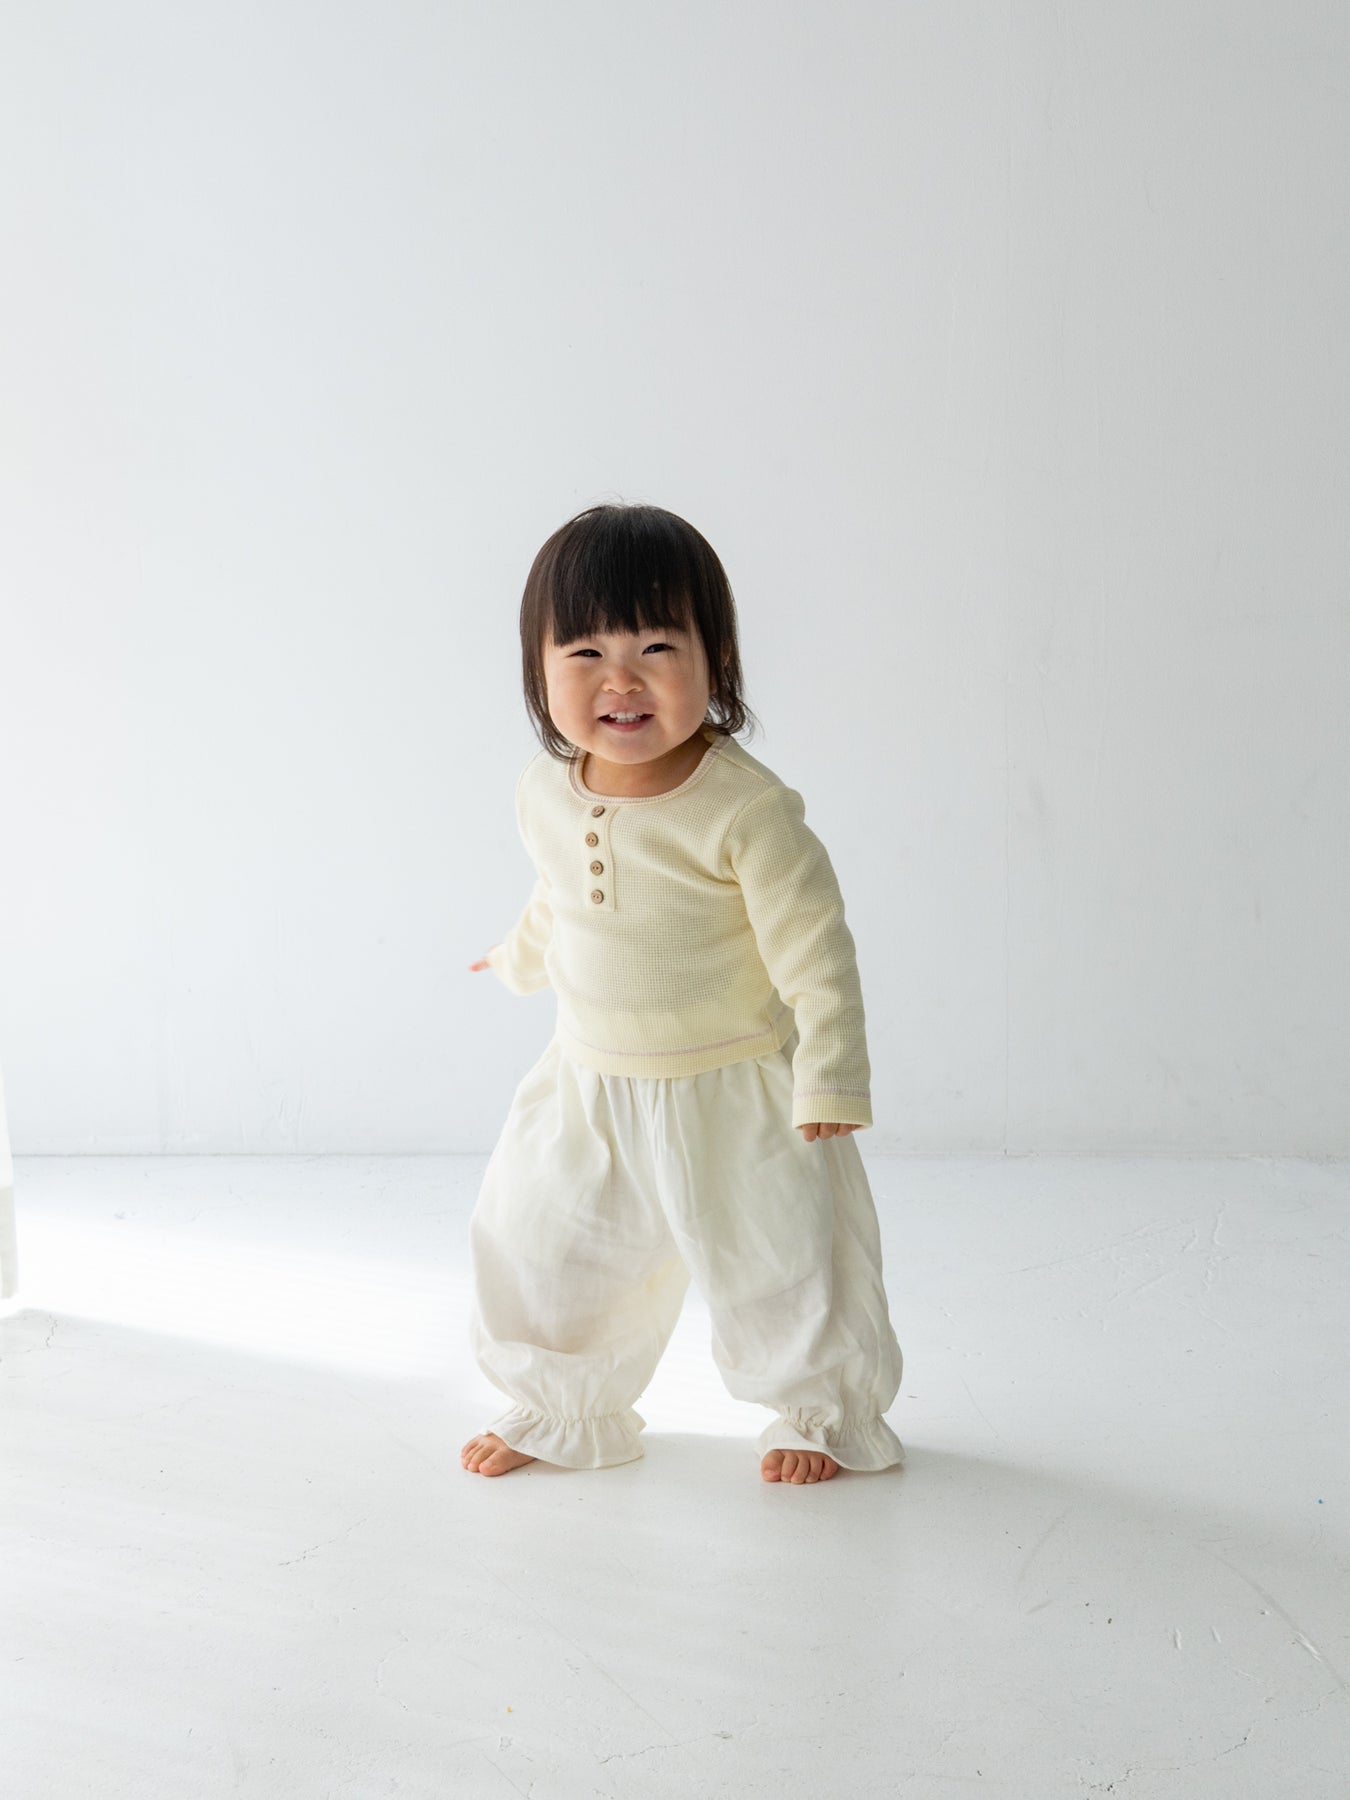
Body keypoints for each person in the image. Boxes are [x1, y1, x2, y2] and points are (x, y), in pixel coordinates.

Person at [462, 502, 904, 1485]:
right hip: (588, 1082)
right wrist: (517, 957)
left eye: (657, 647)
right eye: (585, 652)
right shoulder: (544, 789)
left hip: (733, 1090)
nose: (621, 680)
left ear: (719, 659)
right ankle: (558, 1405)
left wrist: (831, 1074)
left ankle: (819, 1411)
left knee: (783, 1263)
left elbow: (815, 950)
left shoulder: (746, 810)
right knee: (545, 1243)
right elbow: (559, 896)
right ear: (538, 667)